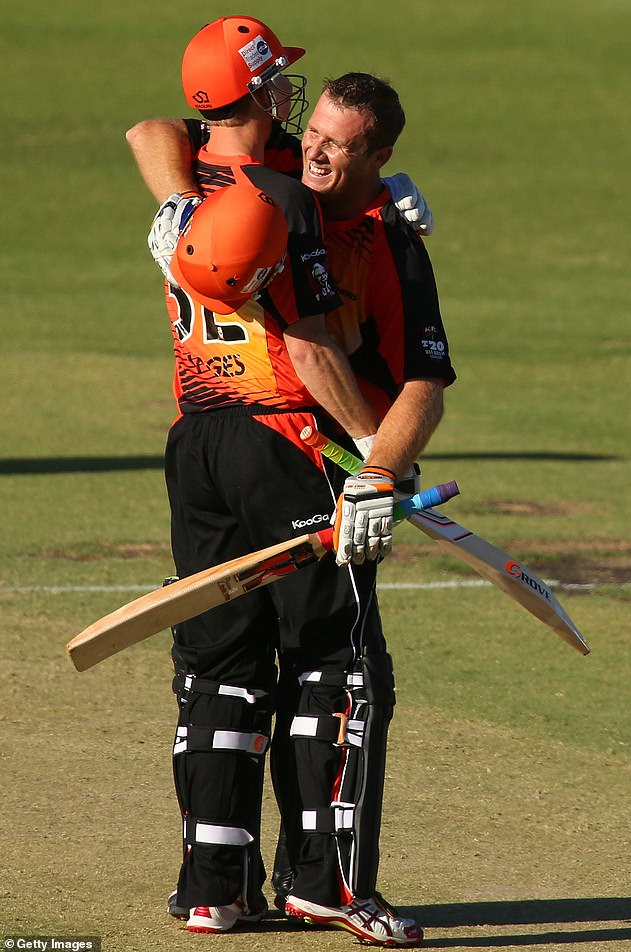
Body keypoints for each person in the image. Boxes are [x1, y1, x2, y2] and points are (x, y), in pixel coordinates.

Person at [127, 21, 455, 948]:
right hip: (284, 444)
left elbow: (149, 129)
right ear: (264, 94)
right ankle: (329, 884)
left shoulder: (207, 175)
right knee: (339, 665)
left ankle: (210, 890)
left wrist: (173, 209)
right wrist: (370, 461)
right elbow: (310, 344)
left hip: (196, 442)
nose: (299, 121)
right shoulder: (286, 198)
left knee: (222, 668)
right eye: (285, 96)